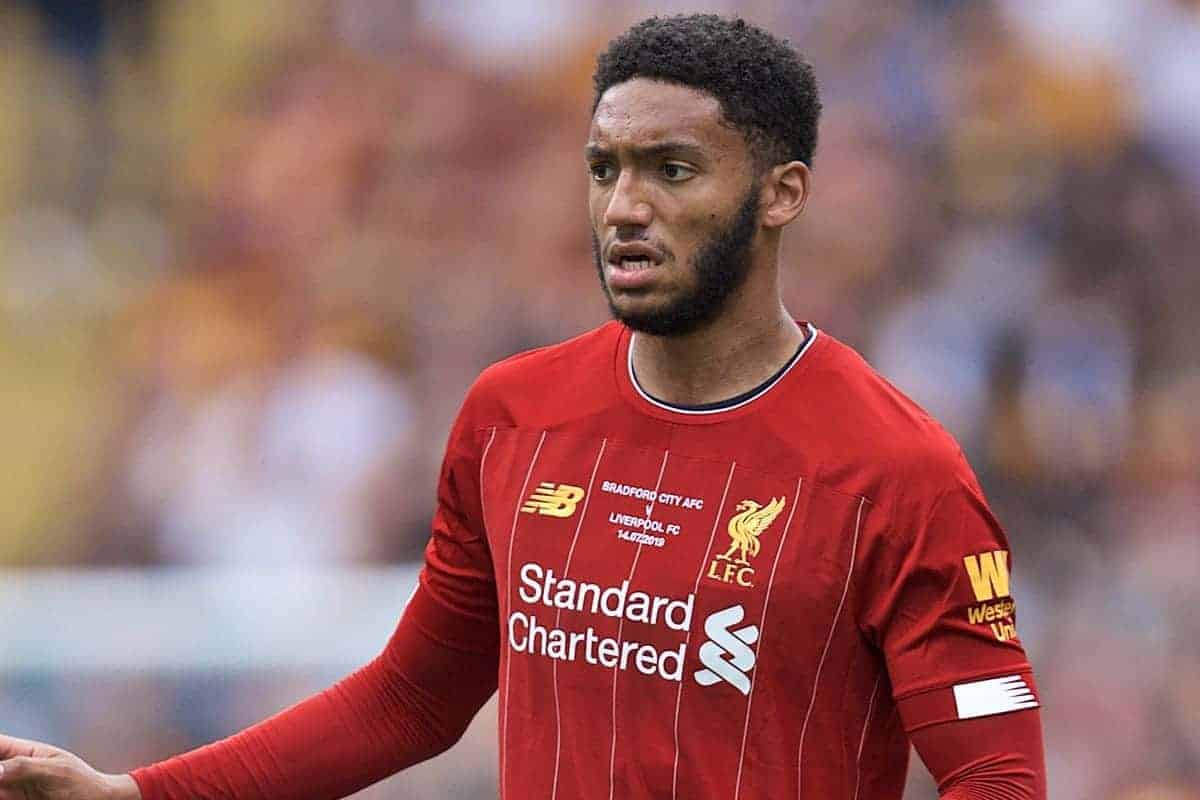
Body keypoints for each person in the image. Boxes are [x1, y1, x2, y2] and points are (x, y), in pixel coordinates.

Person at [0, 14, 1045, 799]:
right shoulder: (515, 415)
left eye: (672, 169)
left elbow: (997, 766)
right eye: (605, 167)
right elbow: (412, 696)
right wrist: (140, 793)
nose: (625, 204)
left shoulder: (899, 472)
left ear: (782, 193)